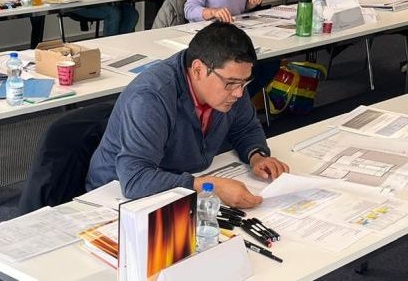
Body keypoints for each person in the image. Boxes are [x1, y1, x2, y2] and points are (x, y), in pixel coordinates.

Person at [86, 23, 288, 206]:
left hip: (180, 180)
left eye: (244, 82)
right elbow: (135, 179)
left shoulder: (231, 84)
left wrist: (257, 156)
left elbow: (245, 128)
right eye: (231, 83)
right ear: (198, 70)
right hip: (114, 195)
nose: (239, 93)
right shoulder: (151, 97)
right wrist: (208, 187)